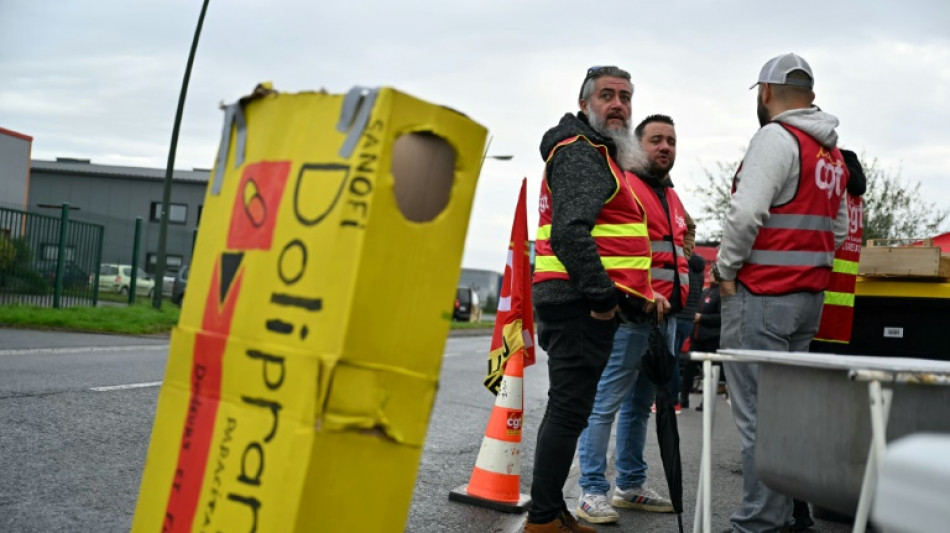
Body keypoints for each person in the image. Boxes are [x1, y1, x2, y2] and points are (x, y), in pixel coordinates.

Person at [715, 53, 849, 533]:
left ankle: (758, 523)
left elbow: (746, 212)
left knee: (758, 420)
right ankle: (790, 516)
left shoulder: (776, 138)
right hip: (806, 300)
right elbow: (839, 227)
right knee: (786, 419)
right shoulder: (829, 153)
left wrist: (726, 271)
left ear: (765, 93)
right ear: (809, 94)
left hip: (762, 297)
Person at [527, 65, 658, 533]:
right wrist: (603, 298)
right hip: (580, 303)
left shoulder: (599, 153)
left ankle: (551, 513)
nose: (618, 104)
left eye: (625, 96)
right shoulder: (583, 153)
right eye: (607, 95)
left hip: (577, 301)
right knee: (568, 411)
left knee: (571, 409)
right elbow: (570, 233)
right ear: (585, 104)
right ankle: (543, 519)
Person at [575, 114, 690, 525]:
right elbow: (609, 246)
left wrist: (681, 272)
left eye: (671, 142)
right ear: (639, 147)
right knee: (605, 402)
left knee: (640, 405)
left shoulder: (669, 195)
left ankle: (631, 484)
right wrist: (642, 291)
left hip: (665, 319)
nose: (664, 148)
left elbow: (682, 237)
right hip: (631, 314)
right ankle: (591, 490)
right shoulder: (627, 186)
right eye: (656, 140)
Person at [674, 253, 706, 410]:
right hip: (691, 319)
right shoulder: (700, 271)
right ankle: (679, 399)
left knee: (671, 359)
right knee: (683, 362)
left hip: (678, 315)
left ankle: (673, 399)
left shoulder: (680, 265)